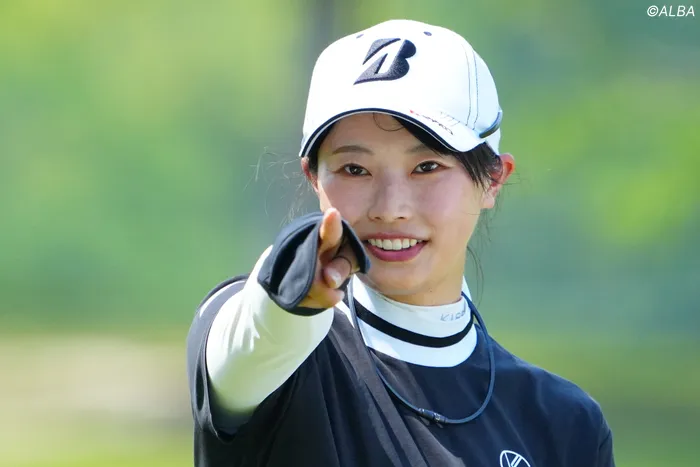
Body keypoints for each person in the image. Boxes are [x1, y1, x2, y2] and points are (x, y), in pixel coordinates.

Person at [186, 19, 615, 467]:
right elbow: (259, 332)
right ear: (313, 177)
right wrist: (292, 288)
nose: (390, 209)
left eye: (427, 167)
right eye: (355, 169)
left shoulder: (565, 424)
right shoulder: (273, 345)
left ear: (493, 178)